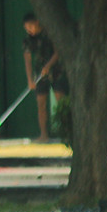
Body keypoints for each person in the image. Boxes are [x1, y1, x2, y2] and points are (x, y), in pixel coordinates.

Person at [23, 13, 69, 143]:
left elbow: (58, 52)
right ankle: (43, 135)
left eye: (31, 26)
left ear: (37, 23)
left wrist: (48, 66)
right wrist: (30, 80)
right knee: (41, 104)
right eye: (26, 28)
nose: (29, 30)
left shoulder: (50, 33)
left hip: (56, 72)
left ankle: (67, 133)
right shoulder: (28, 39)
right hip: (40, 75)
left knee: (61, 102)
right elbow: (27, 59)